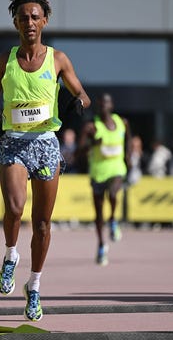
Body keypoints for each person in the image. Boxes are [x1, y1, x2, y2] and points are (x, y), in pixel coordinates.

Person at [0, 0, 90, 321]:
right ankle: (11, 255)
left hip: (45, 142)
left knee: (42, 224)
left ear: (44, 21)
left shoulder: (58, 59)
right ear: (15, 22)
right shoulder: (6, 58)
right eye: (23, 17)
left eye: (35, 17)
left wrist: (78, 103)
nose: (29, 22)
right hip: (13, 141)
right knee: (15, 208)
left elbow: (82, 93)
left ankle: (34, 285)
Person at [78, 93, 131, 266]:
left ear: (111, 105)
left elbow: (128, 139)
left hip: (117, 169)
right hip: (98, 172)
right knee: (98, 213)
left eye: (106, 103)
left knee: (114, 194)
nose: (103, 106)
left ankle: (114, 220)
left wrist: (128, 156)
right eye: (100, 104)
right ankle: (101, 245)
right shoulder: (91, 126)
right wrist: (93, 144)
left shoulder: (122, 123)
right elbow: (79, 151)